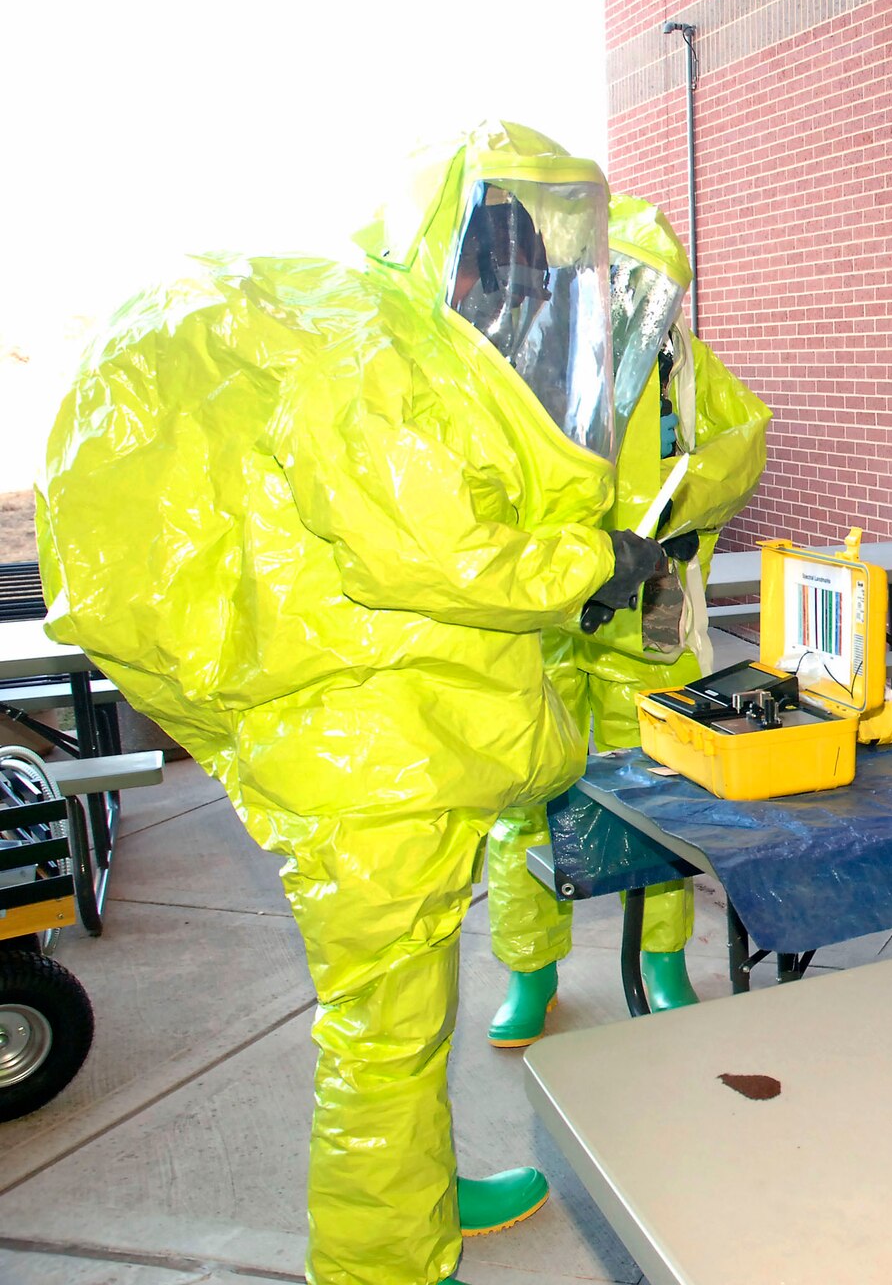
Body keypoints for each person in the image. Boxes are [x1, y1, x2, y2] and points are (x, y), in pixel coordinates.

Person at [38, 121, 658, 1285]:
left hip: (393, 737)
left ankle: (416, 1196)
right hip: (369, 757)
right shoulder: (380, 349)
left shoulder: (396, 340)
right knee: (381, 1023)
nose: (531, 277)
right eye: (512, 244)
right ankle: (384, 1260)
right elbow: (433, 550)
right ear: (458, 240)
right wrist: (593, 563)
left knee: (403, 1009)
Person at [484, 194, 770, 1045]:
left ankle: (663, 965)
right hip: (545, 617)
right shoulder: (514, 353)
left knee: (663, 797)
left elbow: (742, 441)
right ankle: (530, 973)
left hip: (650, 613)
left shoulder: (679, 357)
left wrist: (670, 517)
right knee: (525, 798)